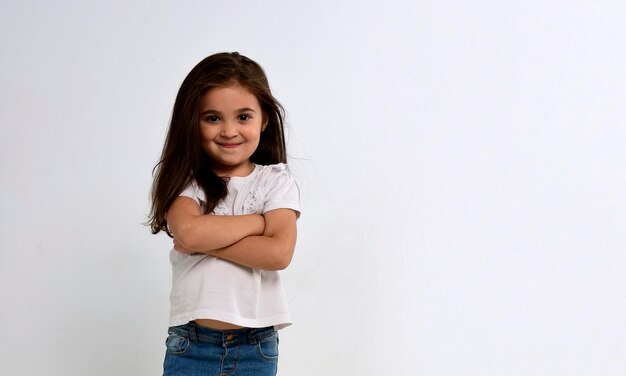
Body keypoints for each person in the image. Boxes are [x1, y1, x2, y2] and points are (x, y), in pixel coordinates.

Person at [148, 52, 300, 376]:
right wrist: (258, 223)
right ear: (193, 122)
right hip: (191, 345)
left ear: (265, 119)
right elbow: (188, 233)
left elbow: (278, 252)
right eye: (213, 118)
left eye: (243, 116)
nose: (229, 130)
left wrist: (204, 239)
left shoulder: (275, 181)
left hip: (255, 347)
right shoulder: (186, 180)